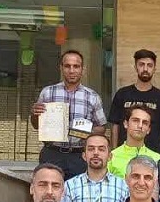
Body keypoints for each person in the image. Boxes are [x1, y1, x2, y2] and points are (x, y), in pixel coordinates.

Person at [30, 50, 107, 180]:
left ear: (82, 69)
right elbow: (36, 126)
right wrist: (34, 114)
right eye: (67, 66)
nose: (71, 70)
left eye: (76, 66)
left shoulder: (92, 97)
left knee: (78, 191)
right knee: (49, 188)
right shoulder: (48, 93)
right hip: (52, 153)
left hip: (79, 155)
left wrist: (83, 131)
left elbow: (101, 128)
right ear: (61, 68)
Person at [108, 49, 160, 155]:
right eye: (141, 64)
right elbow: (115, 125)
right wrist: (114, 152)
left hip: (153, 156)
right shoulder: (122, 94)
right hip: (123, 155)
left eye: (149, 65)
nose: (145, 69)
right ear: (135, 67)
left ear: (154, 69)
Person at [107, 104, 160, 177]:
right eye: (135, 121)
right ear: (126, 124)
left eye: (145, 123)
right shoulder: (111, 157)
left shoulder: (158, 160)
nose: (140, 125)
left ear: (148, 129)